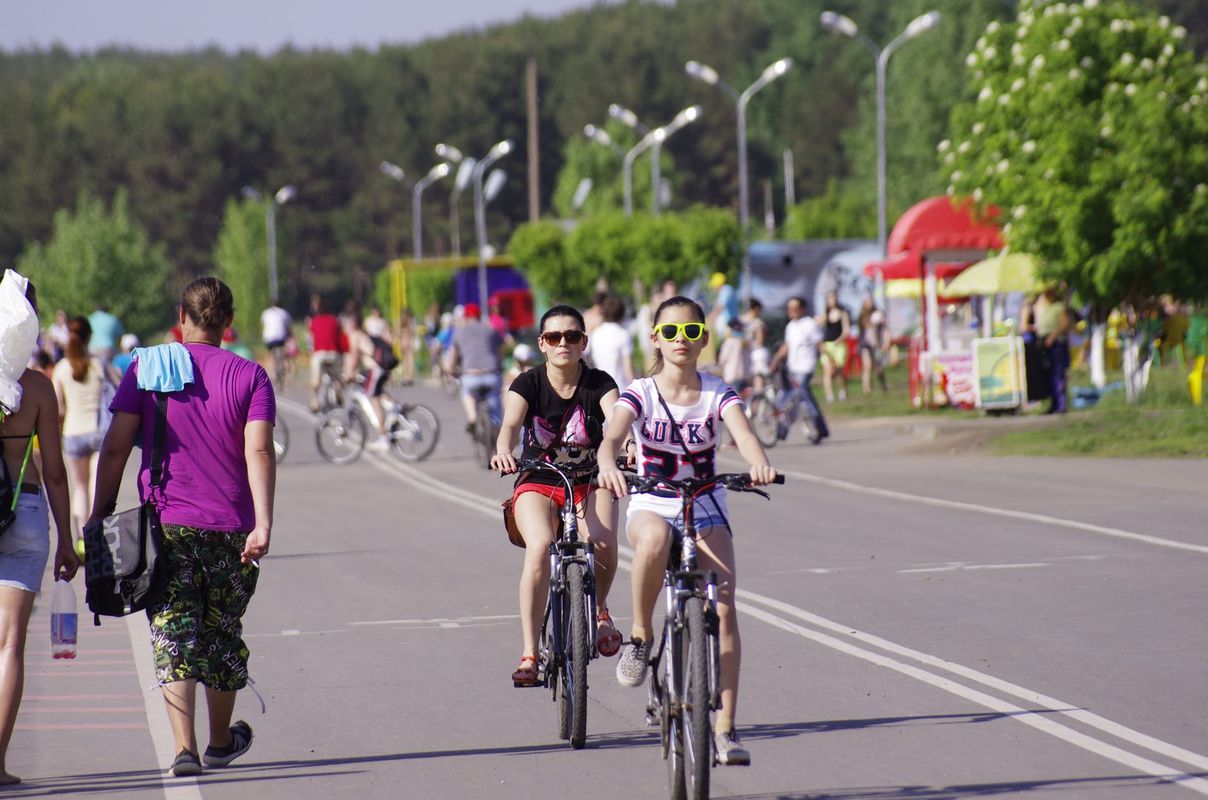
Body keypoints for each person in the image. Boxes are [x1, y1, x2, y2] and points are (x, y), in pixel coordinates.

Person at [88, 277, 274, 778]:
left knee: (174, 631)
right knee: (221, 631)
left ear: (182, 317)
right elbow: (258, 450)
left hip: (165, 523)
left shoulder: (148, 367)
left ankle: (184, 749)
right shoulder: (251, 375)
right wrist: (263, 523)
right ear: (228, 322)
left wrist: (100, 510)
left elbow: (117, 445)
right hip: (232, 526)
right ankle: (219, 741)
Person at [596, 296, 777, 767]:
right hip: (653, 500)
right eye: (671, 332)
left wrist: (758, 463)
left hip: (705, 504)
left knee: (725, 604)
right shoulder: (639, 391)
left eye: (692, 332)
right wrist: (607, 465)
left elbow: (745, 434)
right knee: (653, 539)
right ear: (655, 337)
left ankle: (725, 730)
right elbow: (612, 438)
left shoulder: (718, 392)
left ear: (703, 339)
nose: (682, 341)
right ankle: (640, 635)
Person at [490, 305, 621, 686]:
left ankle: (599, 612)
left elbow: (616, 421)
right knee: (539, 546)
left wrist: (627, 446)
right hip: (539, 478)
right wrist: (503, 450)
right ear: (542, 344)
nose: (563, 343)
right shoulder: (527, 383)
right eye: (554, 337)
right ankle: (530, 651)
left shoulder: (600, 383)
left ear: (584, 341)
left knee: (603, 541)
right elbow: (511, 425)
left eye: (572, 336)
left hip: (591, 479)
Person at [0, 276, 79, 786]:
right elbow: (53, 469)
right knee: (9, 645)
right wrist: (69, 542)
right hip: (23, 512)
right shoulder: (37, 389)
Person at [51, 317, 114, 546]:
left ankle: (82, 540)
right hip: (98, 432)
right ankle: (97, 538)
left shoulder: (61, 369)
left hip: (73, 432)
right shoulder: (98, 365)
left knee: (79, 488)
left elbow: (58, 408)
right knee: (94, 486)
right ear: (89, 337)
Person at [771, 296, 828, 444]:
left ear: (802, 309)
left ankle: (784, 428)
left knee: (798, 393)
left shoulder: (809, 324)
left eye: (795, 308)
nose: (792, 311)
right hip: (793, 367)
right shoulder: (790, 326)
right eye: (789, 308)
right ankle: (820, 428)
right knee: (800, 398)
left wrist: (829, 361)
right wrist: (776, 358)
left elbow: (819, 344)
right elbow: (787, 347)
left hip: (806, 366)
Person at [449, 303, 504, 431]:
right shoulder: (491, 330)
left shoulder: (459, 332)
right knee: (495, 408)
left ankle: (472, 416)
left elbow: (452, 356)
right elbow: (500, 352)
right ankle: (496, 440)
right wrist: (499, 368)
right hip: (491, 375)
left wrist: (451, 370)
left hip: (470, 376)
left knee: (466, 392)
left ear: (466, 317)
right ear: (479, 316)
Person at [341, 311, 390, 451]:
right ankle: (396, 408)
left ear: (352, 323)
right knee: (377, 393)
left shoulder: (355, 335)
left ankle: (383, 438)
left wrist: (349, 375)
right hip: (380, 367)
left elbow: (355, 358)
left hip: (376, 368)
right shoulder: (363, 333)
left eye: (346, 323)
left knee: (373, 399)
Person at [1034, 287, 1072, 413]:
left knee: (1058, 373)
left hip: (1056, 343)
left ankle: (1061, 405)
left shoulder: (1059, 307)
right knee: (1048, 375)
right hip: (1045, 343)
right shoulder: (1044, 307)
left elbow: (1065, 324)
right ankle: (1054, 404)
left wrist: (1053, 336)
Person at [585, 294, 633, 389]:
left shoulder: (595, 334)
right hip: (621, 387)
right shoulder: (624, 335)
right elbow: (628, 369)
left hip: (599, 386)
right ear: (622, 314)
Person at [307, 295, 344, 413]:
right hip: (334, 353)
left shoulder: (314, 322)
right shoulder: (335, 321)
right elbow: (340, 338)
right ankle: (338, 392)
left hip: (320, 353)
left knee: (316, 380)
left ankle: (314, 401)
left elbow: (311, 341)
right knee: (337, 377)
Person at [819, 290, 850, 403]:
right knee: (827, 370)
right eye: (830, 299)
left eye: (833, 298)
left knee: (838, 370)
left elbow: (846, 330)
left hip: (838, 346)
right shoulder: (825, 315)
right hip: (827, 345)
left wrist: (839, 340)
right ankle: (830, 396)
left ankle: (842, 390)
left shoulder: (842, 313)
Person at [857, 297, 889, 394]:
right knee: (867, 366)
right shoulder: (862, 316)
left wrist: (885, 344)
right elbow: (862, 329)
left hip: (876, 345)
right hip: (865, 344)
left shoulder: (878, 314)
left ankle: (883, 385)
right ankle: (867, 389)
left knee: (878, 368)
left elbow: (885, 330)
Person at [742, 299, 770, 391]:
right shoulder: (758, 322)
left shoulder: (742, 319)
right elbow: (760, 340)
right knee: (759, 377)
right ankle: (759, 398)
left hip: (744, 352)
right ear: (756, 308)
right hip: (756, 352)